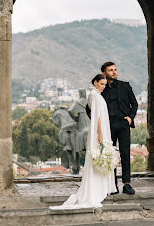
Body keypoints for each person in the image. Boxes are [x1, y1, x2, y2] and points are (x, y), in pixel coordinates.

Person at [50, 74, 117, 210]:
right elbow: (96, 116)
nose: (104, 87)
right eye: (101, 84)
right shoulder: (93, 95)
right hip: (99, 130)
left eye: (105, 84)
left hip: (101, 128)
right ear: (95, 82)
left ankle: (99, 186)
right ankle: (95, 189)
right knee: (98, 156)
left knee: (100, 157)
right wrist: (100, 133)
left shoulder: (96, 94)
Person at [96, 61, 138, 195]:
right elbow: (90, 108)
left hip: (123, 123)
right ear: (104, 73)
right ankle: (112, 185)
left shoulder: (125, 86)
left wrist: (130, 117)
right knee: (110, 155)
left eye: (115, 69)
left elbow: (135, 104)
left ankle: (127, 184)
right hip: (108, 125)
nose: (114, 72)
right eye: (110, 70)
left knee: (125, 153)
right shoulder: (101, 89)